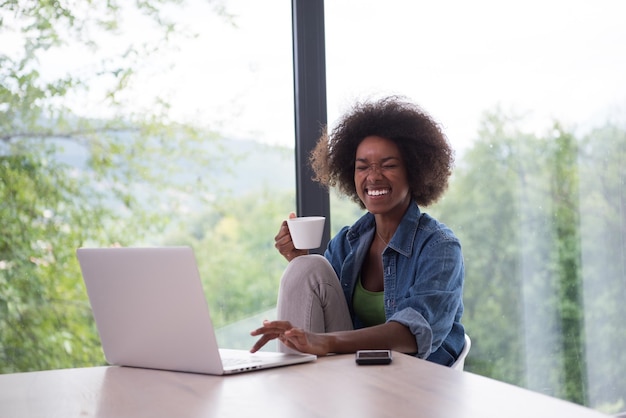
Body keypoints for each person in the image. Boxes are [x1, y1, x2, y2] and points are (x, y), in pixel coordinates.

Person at [250, 95, 465, 366]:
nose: (373, 176)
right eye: (362, 167)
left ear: (414, 170)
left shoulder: (439, 246)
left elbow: (415, 333)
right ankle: (296, 392)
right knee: (308, 266)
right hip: (356, 376)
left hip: (416, 379)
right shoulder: (347, 242)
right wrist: (298, 259)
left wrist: (326, 342)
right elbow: (323, 310)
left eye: (388, 165)